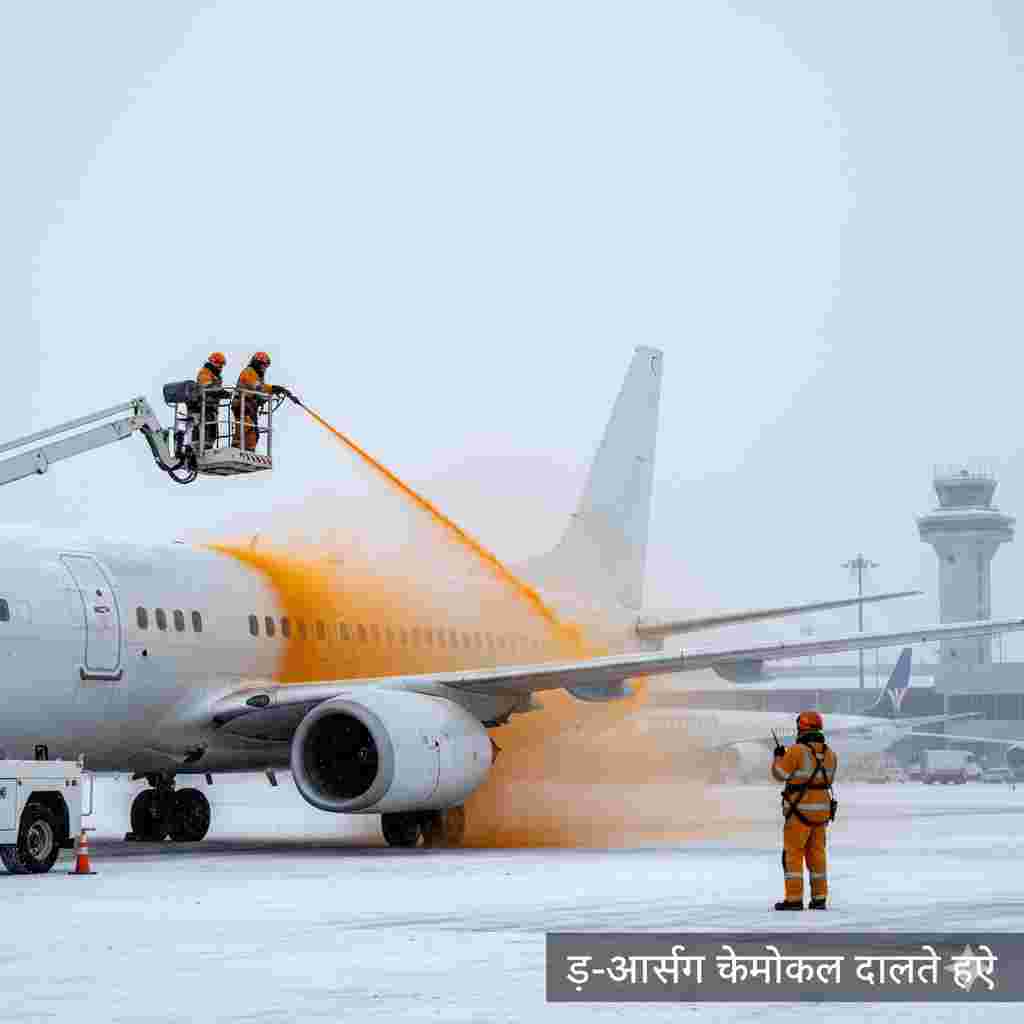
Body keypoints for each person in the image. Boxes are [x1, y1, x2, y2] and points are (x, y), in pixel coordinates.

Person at [771, 710, 838, 911]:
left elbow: (780, 774)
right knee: (817, 855)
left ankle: (794, 899)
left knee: (793, 854)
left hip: (800, 812)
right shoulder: (830, 754)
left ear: (802, 728)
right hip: (821, 813)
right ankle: (819, 898)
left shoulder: (797, 751)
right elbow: (829, 780)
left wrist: (778, 757)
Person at [231, 351, 285, 451]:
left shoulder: (258, 375)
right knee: (247, 429)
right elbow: (258, 387)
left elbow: (259, 392)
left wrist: (266, 396)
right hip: (242, 404)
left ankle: (249, 451)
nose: (265, 368)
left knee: (253, 433)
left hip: (250, 406)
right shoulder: (249, 372)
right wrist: (274, 388)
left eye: (266, 366)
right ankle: (237, 449)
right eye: (263, 365)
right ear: (257, 363)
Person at [191, 351, 228, 450]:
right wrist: (220, 392)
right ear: (212, 362)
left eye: (222, 364)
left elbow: (214, 388)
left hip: (211, 408)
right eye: (218, 363)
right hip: (202, 407)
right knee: (204, 429)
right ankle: (199, 449)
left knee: (212, 430)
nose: (220, 366)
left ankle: (207, 448)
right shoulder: (205, 372)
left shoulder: (216, 376)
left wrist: (222, 393)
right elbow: (206, 386)